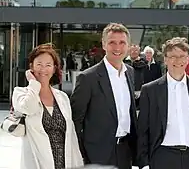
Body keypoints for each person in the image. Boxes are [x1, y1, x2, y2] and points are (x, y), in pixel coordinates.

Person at [137, 37, 189, 169]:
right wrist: (144, 163)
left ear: (188, 59)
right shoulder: (150, 90)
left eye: (182, 56)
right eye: (172, 56)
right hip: (163, 157)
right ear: (165, 59)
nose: (177, 61)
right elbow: (143, 128)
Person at [71, 23, 138, 169]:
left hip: (125, 152)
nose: (117, 47)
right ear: (104, 44)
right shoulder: (88, 78)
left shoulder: (130, 73)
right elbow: (76, 120)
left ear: (128, 46)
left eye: (122, 43)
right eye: (112, 42)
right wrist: (83, 153)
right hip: (96, 154)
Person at [12, 43, 83, 169]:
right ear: (31, 67)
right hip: (37, 164)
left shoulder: (62, 98)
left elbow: (71, 138)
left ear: (54, 69)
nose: (43, 69)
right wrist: (33, 84)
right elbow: (29, 108)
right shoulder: (20, 93)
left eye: (48, 65)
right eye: (39, 64)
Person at [124, 44, 148, 109]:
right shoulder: (123, 62)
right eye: (132, 50)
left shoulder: (144, 63)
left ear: (139, 52)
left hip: (140, 92)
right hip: (126, 91)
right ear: (129, 51)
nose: (134, 52)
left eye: (136, 50)